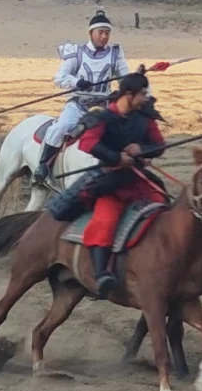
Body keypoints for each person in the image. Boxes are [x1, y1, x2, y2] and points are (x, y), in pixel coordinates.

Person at [50, 70, 166, 298]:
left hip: (138, 179)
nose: (146, 98)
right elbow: (87, 144)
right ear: (129, 94)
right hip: (111, 181)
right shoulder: (103, 117)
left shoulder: (145, 117)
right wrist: (116, 157)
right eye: (142, 94)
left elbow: (160, 145)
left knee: (164, 206)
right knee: (105, 221)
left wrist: (141, 149)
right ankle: (101, 274)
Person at [34, 9, 131, 183]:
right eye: (100, 32)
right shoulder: (77, 53)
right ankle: (43, 165)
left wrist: (122, 90)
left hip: (104, 106)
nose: (104, 36)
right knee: (60, 127)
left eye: (107, 33)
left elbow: (125, 77)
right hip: (79, 104)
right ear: (91, 33)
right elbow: (60, 78)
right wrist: (77, 82)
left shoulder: (115, 54)